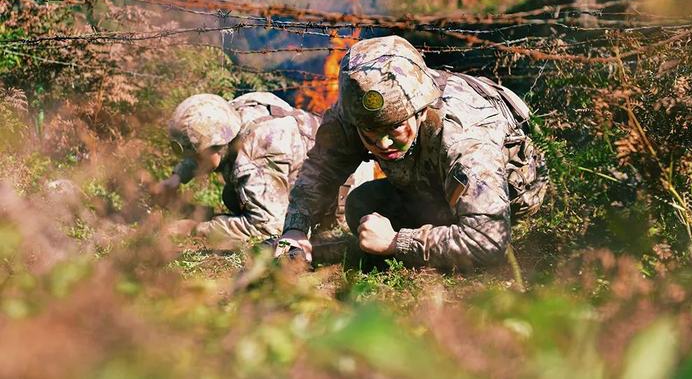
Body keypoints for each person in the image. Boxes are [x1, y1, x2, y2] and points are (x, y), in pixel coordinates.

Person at [274, 35, 548, 271]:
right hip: (432, 188)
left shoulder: (465, 136)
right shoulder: (354, 112)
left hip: (500, 201)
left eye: (394, 128)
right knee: (363, 204)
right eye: (370, 132)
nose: (382, 143)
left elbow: (488, 241)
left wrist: (397, 242)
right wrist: (296, 230)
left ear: (419, 112)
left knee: (378, 231)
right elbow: (321, 169)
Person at [155, 92, 325, 245]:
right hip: (318, 155)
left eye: (195, 157)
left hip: (336, 196)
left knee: (233, 198)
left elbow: (269, 226)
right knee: (232, 196)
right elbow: (205, 147)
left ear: (216, 146)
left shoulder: (256, 157)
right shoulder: (230, 115)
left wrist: (195, 228)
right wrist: (176, 178)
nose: (194, 162)